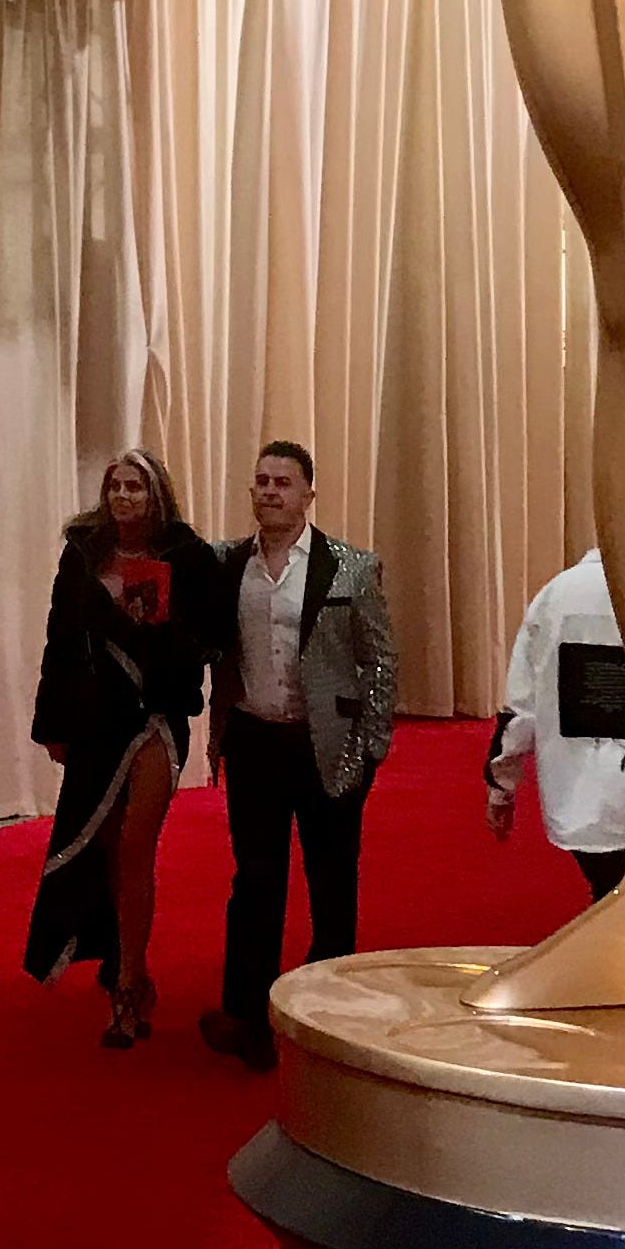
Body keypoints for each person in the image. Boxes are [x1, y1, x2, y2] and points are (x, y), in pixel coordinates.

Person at [196, 441, 398, 1071]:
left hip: (327, 745)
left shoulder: (351, 569)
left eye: (283, 482)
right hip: (255, 741)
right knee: (255, 881)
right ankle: (246, 1015)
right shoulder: (227, 565)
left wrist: (371, 746)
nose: (269, 492)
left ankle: (330, 1017)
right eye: (260, 481)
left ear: (309, 493)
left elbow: (380, 661)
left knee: (332, 879)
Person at [21, 449, 224, 1045]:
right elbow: (59, 639)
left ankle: (131, 982)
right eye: (116, 486)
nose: (124, 497)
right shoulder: (83, 552)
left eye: (136, 486)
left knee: (137, 845)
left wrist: (159, 627)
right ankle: (124, 969)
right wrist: (51, 724)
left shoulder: (187, 556)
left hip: (157, 715)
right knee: (108, 850)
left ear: (156, 493)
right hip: (95, 719)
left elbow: (210, 640)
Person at [485, 547, 625, 902]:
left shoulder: (557, 595)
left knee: (610, 896)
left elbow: (521, 706)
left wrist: (501, 787)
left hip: (580, 790)